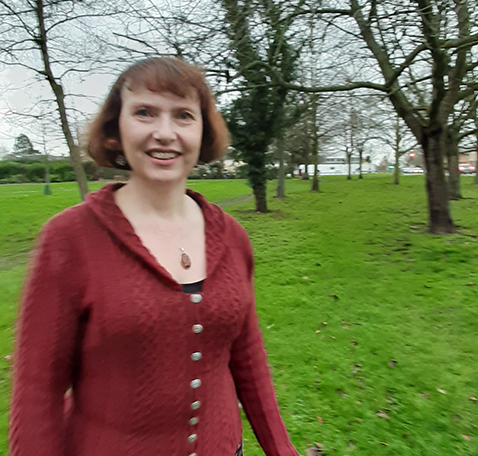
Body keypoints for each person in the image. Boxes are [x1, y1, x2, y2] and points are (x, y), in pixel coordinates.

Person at [9, 57, 300, 456]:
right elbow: (36, 390)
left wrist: (282, 450)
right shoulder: (69, 239)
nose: (164, 133)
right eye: (144, 112)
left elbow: (246, 355)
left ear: (202, 131)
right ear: (116, 128)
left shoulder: (233, 237)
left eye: (183, 115)